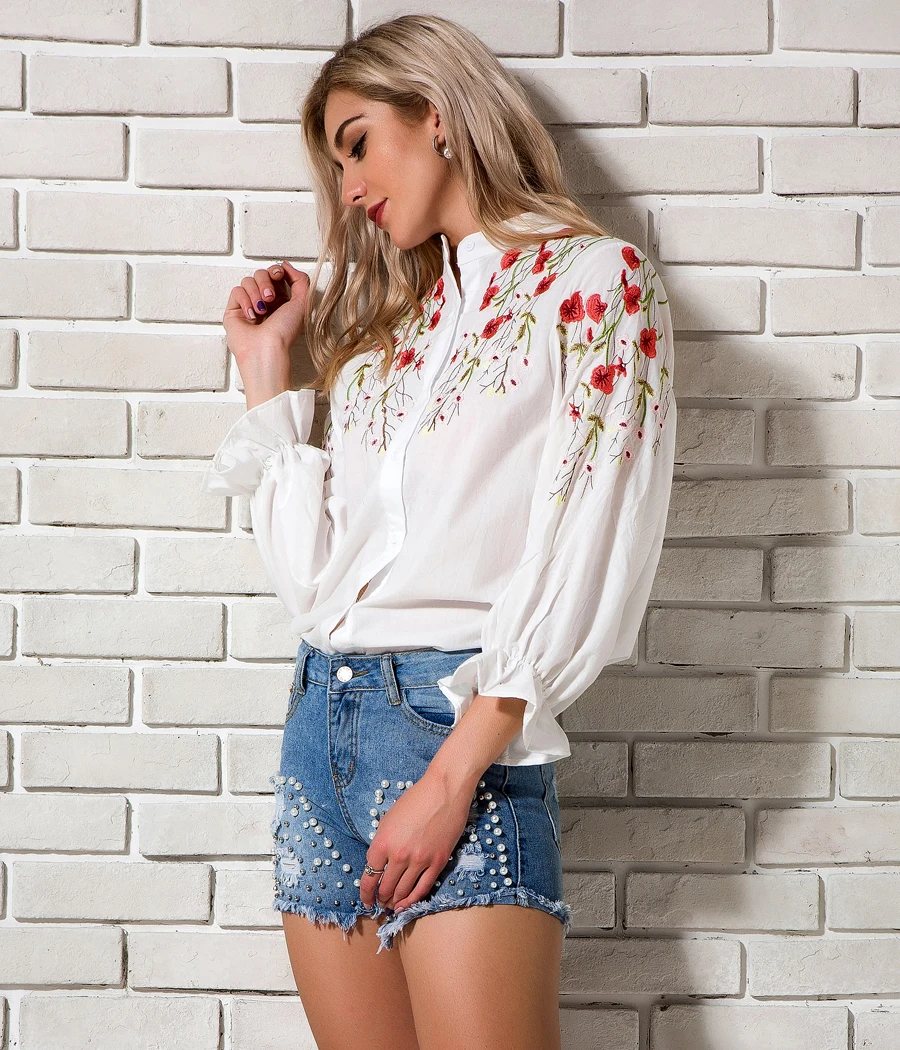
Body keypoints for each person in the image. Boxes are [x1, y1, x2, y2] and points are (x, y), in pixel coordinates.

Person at [201, 13, 676, 1050]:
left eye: (358, 143)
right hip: (319, 729)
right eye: (336, 166)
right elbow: (314, 584)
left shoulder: (596, 283)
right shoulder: (389, 336)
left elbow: (589, 539)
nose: (349, 188)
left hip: (455, 728)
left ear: (439, 114)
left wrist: (454, 776)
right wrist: (266, 369)